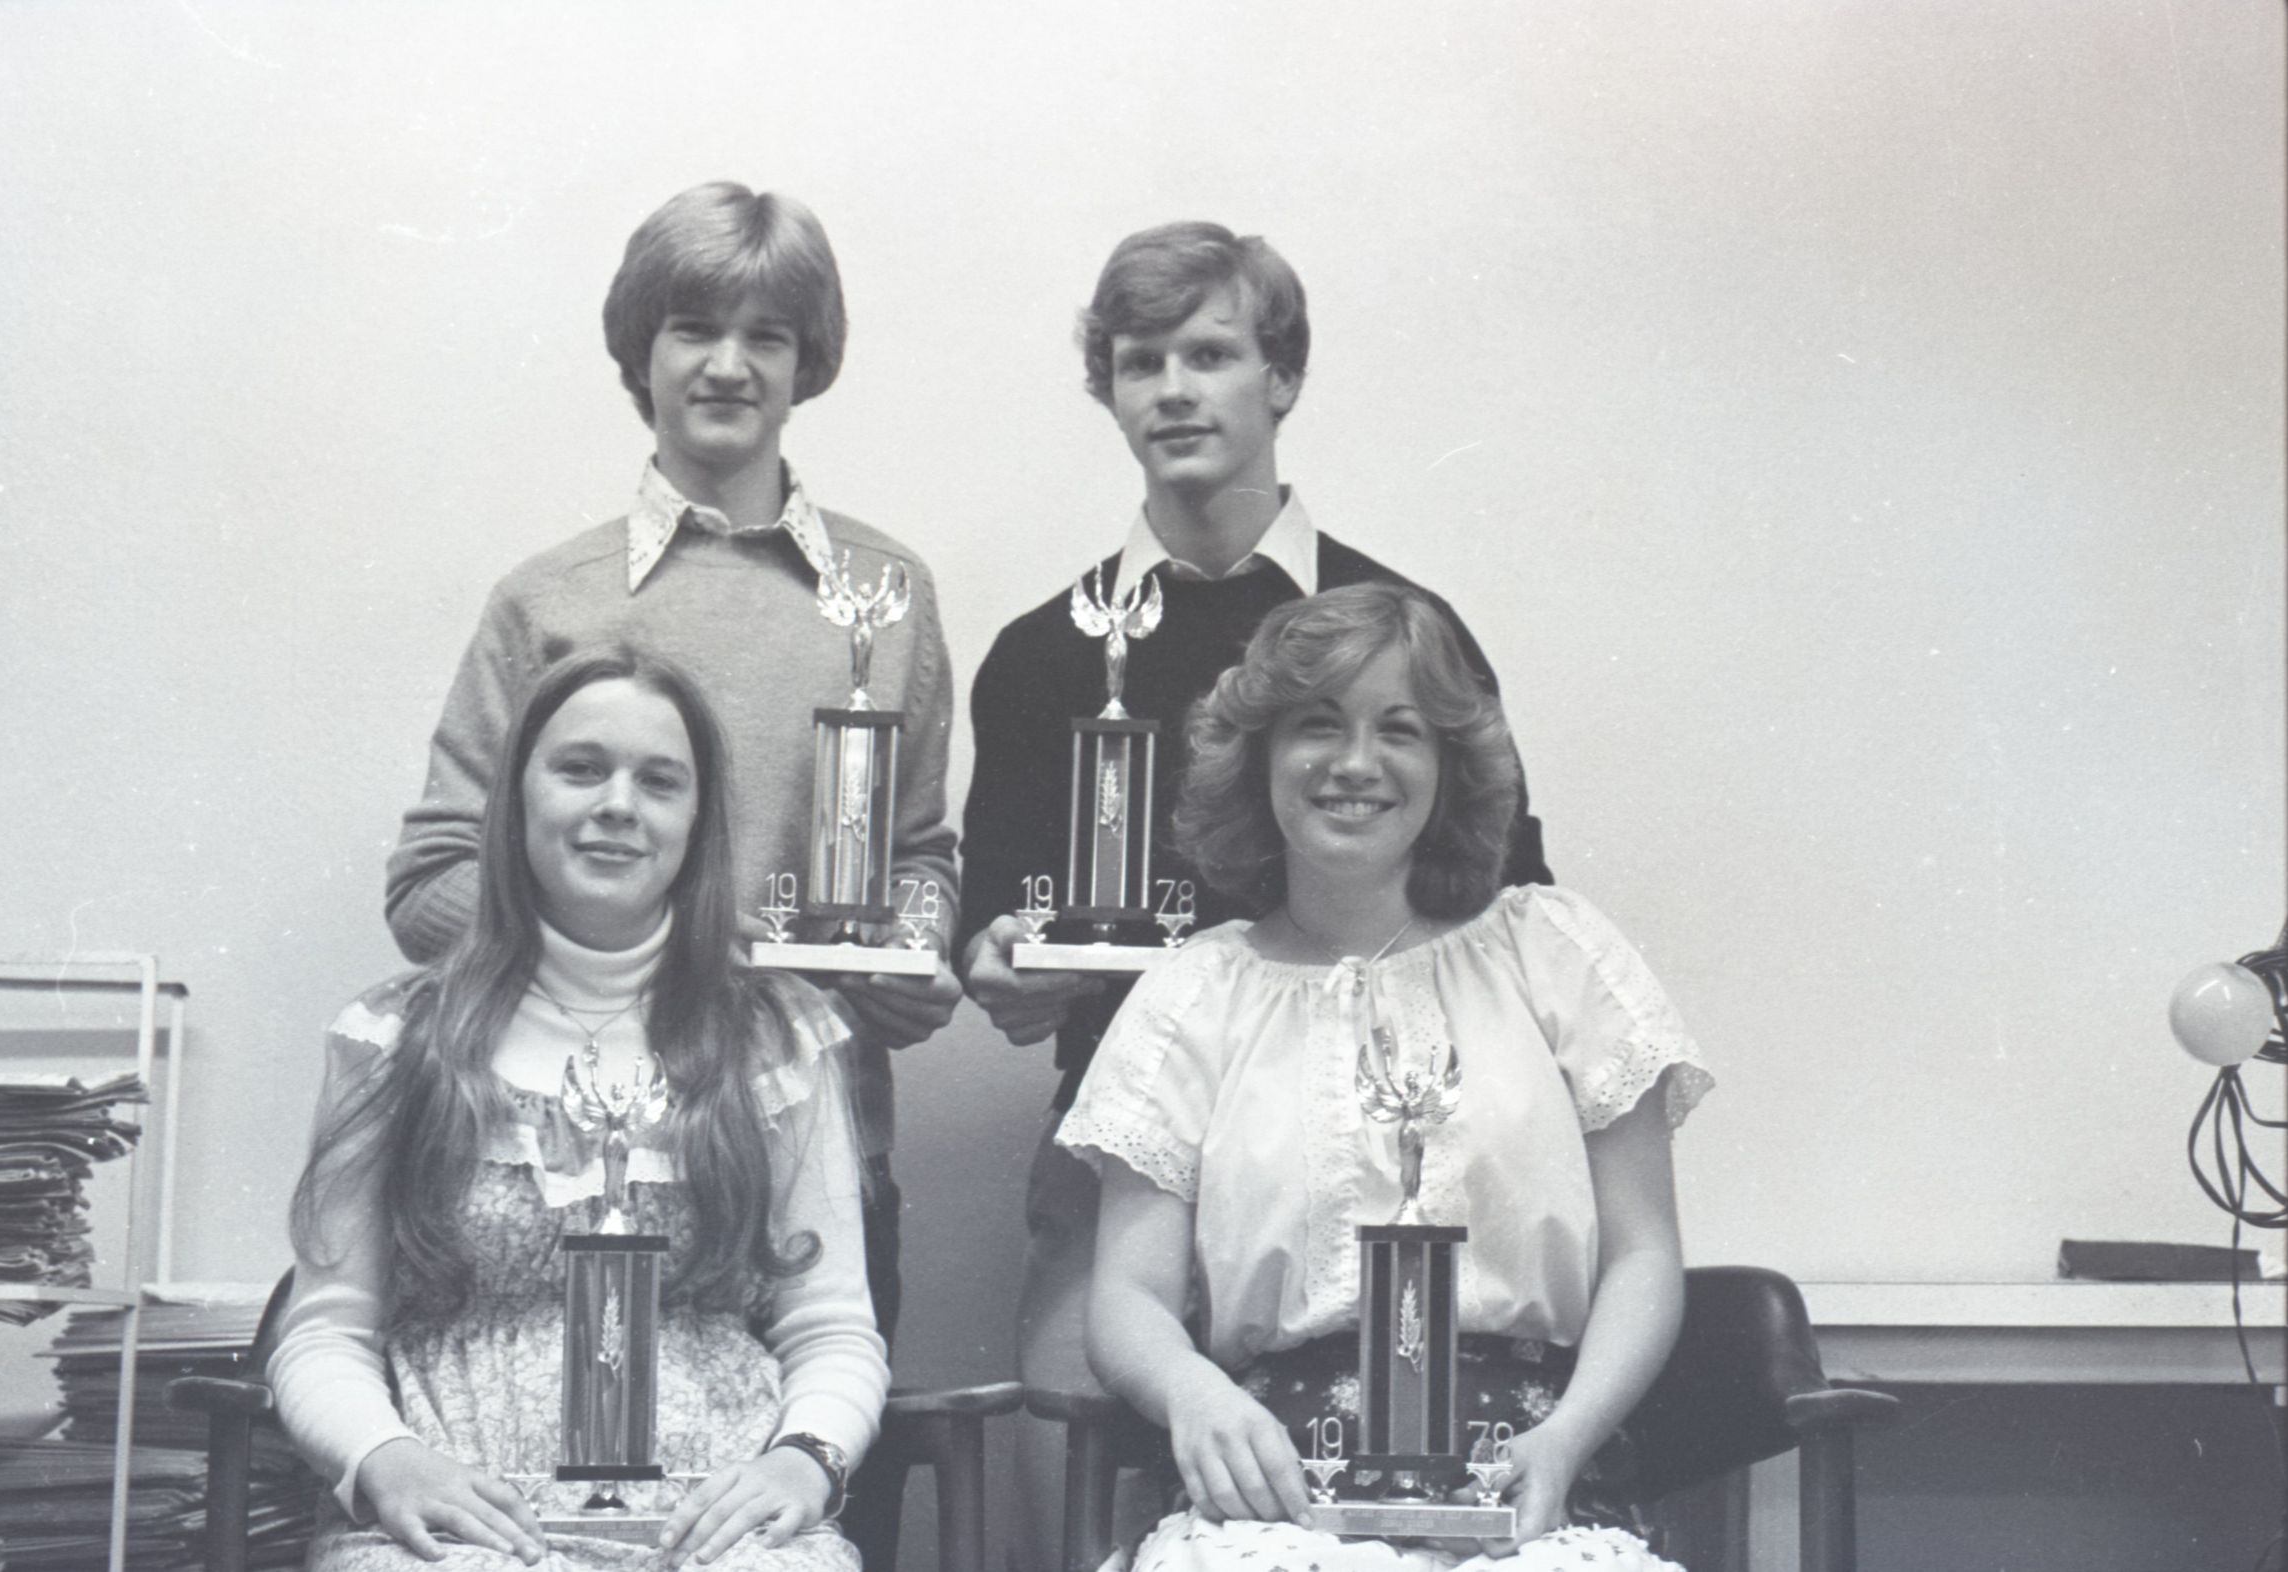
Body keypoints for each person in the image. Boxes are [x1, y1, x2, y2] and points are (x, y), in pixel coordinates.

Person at [951, 221, 1552, 1567]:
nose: (1173, 390)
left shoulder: (1405, 627)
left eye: (1210, 355)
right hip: (1124, 1164)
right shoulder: (1043, 655)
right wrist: (996, 962)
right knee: (1071, 1492)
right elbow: (989, 913)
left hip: (1383, 1174)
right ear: (1108, 392)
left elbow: (1503, 900)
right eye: (1139, 362)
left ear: (1279, 377)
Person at [381, 183, 957, 1568]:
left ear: (809, 363)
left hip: (808, 1165)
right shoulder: (549, 600)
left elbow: (920, 858)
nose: (728, 365)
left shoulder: (887, 596)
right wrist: (664, 967)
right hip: (552, 1183)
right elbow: (429, 883)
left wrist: (910, 949)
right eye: (693, 328)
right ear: (638, 351)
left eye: (768, 335)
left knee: (786, 1527)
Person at [1056, 584, 1712, 1571]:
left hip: (1531, 1488)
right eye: (1318, 725)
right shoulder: (1193, 995)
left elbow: (1643, 1256)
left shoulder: (1551, 954)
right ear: (1260, 755)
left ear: (1448, 765)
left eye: (1398, 730)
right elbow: (1126, 1295)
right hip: (1275, 1503)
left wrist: (1567, 1438)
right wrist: (1192, 1397)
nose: (1356, 763)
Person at [273, 647, 886, 1570]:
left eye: (659, 781)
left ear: (697, 820)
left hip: (716, 1526)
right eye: (581, 768)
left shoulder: (778, 1041)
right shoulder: (396, 1039)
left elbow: (831, 1326)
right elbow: (325, 1329)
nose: (618, 805)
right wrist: (385, 1461)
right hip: (463, 1525)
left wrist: (806, 1461)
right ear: (517, 797)